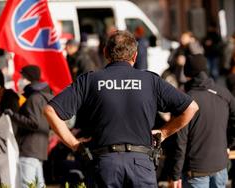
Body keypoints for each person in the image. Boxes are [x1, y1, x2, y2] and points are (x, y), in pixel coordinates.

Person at [44, 30, 198, 188]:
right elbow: (191, 107)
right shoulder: (150, 81)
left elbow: (50, 111)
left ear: (105, 52)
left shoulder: (90, 80)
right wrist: (164, 132)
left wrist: (75, 145)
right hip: (141, 164)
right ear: (135, 56)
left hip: (104, 164)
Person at [170, 54, 235, 188]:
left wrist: (175, 174)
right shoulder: (224, 94)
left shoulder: (185, 99)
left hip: (195, 171)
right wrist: (228, 145)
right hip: (220, 166)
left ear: (187, 74)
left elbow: (180, 142)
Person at [5, 65, 54, 188]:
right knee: (39, 184)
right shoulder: (46, 97)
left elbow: (34, 123)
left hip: (28, 148)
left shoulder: (34, 98)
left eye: (22, 77)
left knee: (26, 184)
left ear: (28, 78)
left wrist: (13, 115)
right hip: (40, 149)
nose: (20, 80)